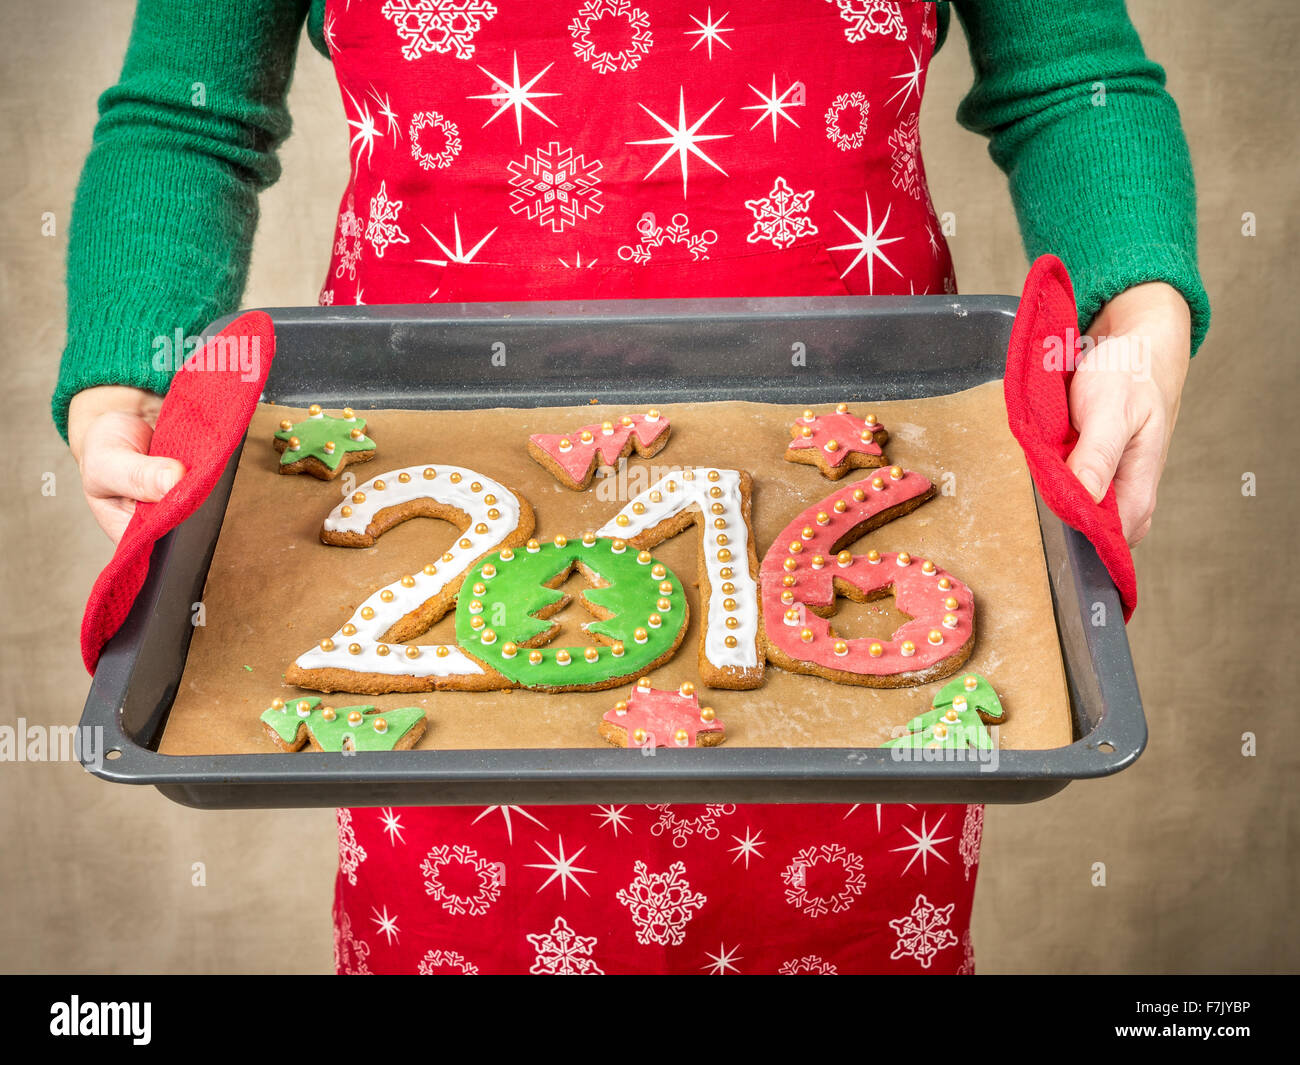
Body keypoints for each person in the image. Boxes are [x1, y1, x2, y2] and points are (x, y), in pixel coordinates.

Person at [56, 1, 1207, 974]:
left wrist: (1135, 306)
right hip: (419, 449)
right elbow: (184, 124)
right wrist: (125, 376)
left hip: (864, 428)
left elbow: (1074, 83)